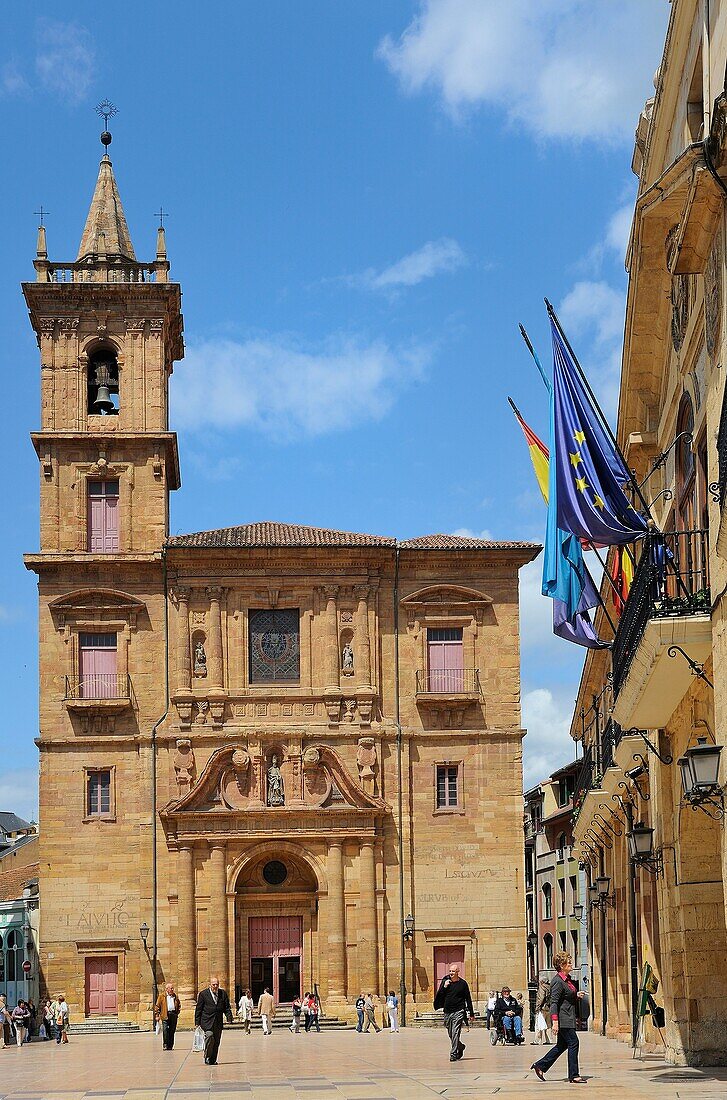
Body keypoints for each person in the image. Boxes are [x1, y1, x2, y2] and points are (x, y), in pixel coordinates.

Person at [531, 951, 586, 1085]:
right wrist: (555, 1022)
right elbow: (554, 1002)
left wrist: (576, 995)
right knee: (574, 1042)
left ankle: (540, 1066)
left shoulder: (566, 979)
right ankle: (574, 1075)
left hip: (568, 1016)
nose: (571, 964)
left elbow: (565, 997)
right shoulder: (557, 981)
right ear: (561, 965)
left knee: (562, 1045)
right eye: (569, 962)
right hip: (563, 1018)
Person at [433, 963, 474, 1062]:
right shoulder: (445, 981)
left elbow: (468, 998)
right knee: (451, 1033)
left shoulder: (463, 984)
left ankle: (453, 1053)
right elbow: (440, 995)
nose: (451, 973)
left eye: (453, 971)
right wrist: (444, 987)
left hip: (459, 1011)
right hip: (447, 1011)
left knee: (455, 1032)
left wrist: (471, 1013)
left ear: (457, 972)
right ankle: (460, 1046)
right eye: (450, 971)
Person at [194, 976, 233, 1066]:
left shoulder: (223, 993)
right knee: (209, 1036)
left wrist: (229, 1016)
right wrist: (197, 1022)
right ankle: (207, 1056)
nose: (215, 986)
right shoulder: (203, 994)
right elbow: (198, 1009)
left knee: (216, 1041)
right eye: (213, 984)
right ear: (210, 985)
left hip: (218, 1022)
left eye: (217, 984)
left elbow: (226, 1007)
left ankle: (213, 1060)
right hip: (206, 1021)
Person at [155, 982, 181, 1051]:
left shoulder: (175, 996)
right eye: (171, 988)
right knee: (165, 1029)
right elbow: (157, 1006)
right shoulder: (161, 996)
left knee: (172, 1030)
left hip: (173, 1015)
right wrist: (157, 1015)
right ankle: (165, 1044)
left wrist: (176, 1013)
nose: (172, 990)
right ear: (167, 989)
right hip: (165, 1014)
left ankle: (170, 1045)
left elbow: (178, 1005)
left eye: (173, 988)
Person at [532, 978, 552, 1045]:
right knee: (548, 1025)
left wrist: (537, 1007)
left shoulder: (542, 987)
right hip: (549, 1008)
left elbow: (541, 997)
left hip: (542, 1008)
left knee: (538, 1025)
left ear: (541, 981)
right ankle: (549, 1040)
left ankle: (537, 1040)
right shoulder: (550, 987)